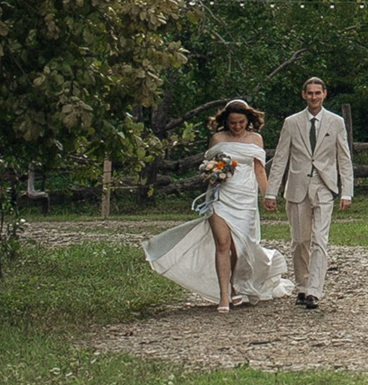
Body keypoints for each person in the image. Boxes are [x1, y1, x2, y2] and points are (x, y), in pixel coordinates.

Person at [142, 100, 292, 310]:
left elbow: (259, 170)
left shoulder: (256, 139)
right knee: (222, 244)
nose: (237, 126)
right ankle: (224, 295)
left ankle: (235, 285)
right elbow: (208, 167)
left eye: (241, 122)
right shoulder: (217, 139)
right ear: (225, 122)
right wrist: (213, 173)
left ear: (248, 121)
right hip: (220, 197)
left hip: (245, 199)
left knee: (240, 248)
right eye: (232, 123)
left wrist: (268, 196)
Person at [264, 75, 355, 309]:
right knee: (300, 241)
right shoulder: (291, 122)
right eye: (310, 93)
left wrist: (347, 192)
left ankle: (315, 290)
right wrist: (271, 192)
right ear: (304, 95)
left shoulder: (336, 122)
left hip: (324, 186)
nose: (314, 97)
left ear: (325, 94)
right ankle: (303, 286)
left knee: (320, 240)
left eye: (318, 92)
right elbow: (281, 157)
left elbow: (344, 158)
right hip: (296, 186)